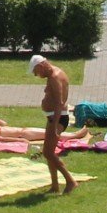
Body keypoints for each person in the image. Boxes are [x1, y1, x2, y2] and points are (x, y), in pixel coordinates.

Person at [31, 54, 76, 193]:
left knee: (48, 153)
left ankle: (70, 181)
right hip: (54, 117)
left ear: (41, 66)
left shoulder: (55, 77)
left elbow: (59, 103)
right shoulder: (54, 74)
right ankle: (55, 185)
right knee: (49, 151)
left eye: (36, 72)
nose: (37, 75)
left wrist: (55, 124)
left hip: (57, 118)